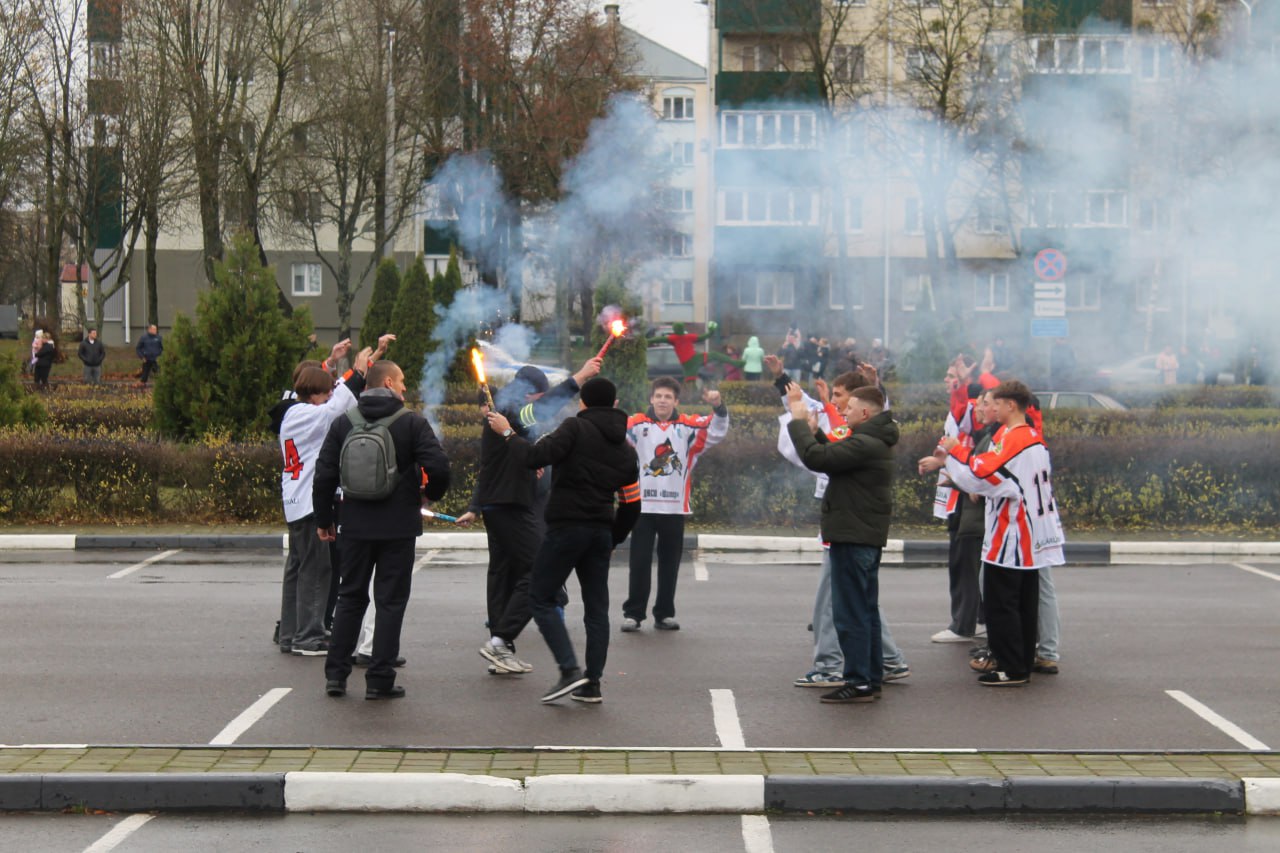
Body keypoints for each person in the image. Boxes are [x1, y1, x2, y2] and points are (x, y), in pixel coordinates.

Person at [484, 377, 641, 704]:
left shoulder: (574, 428)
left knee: (540, 595)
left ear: (583, 402)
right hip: (600, 533)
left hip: (566, 529)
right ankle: (592, 684)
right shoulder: (626, 450)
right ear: (614, 405)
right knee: (596, 609)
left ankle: (568, 669)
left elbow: (534, 457)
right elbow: (631, 505)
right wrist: (613, 539)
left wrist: (507, 432)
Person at [766, 356, 910, 689]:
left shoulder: (864, 438)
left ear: (863, 410)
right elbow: (829, 451)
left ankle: (839, 670)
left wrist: (800, 422)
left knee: (843, 608)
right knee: (860, 606)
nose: (835, 405)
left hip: (851, 531)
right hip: (850, 528)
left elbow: (819, 457)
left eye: (842, 398)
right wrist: (812, 429)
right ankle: (882, 665)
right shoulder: (864, 433)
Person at [314, 360, 451, 700]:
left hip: (354, 525)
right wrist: (428, 495)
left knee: (350, 597)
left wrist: (324, 519)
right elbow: (439, 466)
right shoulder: (411, 423)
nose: (405, 387)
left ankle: (335, 676)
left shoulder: (344, 422)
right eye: (402, 381)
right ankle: (379, 680)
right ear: (388, 382)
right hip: (398, 527)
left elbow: (325, 473)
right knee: (390, 602)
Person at [456, 357, 602, 676]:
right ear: (528, 394)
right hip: (509, 506)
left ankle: (502, 650)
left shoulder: (505, 414)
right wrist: (580, 376)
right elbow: (545, 408)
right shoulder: (511, 412)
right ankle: (500, 641)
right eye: (540, 395)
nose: (542, 401)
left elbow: (501, 460)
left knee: (503, 577)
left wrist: (477, 505)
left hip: (499, 504)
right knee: (541, 570)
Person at [934, 380, 1065, 687]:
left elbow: (983, 473)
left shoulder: (1015, 438)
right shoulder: (1032, 436)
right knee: (1024, 604)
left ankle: (1011, 667)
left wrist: (954, 451)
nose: (991, 407)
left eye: (996, 402)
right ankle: (1021, 661)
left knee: (1002, 604)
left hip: (1011, 535)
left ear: (1011, 405)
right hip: (1028, 535)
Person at [277, 353, 370, 656]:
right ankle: (309, 636)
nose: (330, 396)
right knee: (316, 571)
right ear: (314, 393)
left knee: (298, 570)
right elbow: (336, 409)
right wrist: (357, 372)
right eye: (326, 392)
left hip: (295, 501)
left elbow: (334, 405)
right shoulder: (306, 414)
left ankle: (290, 633)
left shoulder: (293, 413)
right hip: (307, 502)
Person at [621, 376, 728, 632]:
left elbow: (716, 430)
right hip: (642, 508)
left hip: (674, 508)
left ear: (676, 401)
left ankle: (664, 614)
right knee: (639, 563)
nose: (662, 400)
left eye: (668, 397)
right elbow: (612, 432)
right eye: (658, 396)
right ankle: (634, 614)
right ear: (651, 398)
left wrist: (718, 406)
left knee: (669, 565)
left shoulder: (688, 426)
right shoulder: (636, 423)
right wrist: (603, 411)